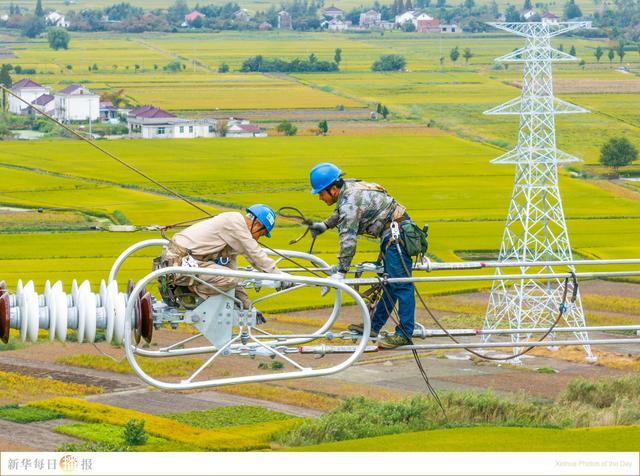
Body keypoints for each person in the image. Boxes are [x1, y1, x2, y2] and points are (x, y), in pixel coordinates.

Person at [308, 162, 415, 348]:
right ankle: (374, 326)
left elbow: (348, 239)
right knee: (389, 284)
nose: (319, 198)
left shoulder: (349, 201)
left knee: (401, 284)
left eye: (321, 193)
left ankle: (404, 333)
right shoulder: (348, 189)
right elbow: (342, 211)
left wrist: (341, 271)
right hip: (393, 233)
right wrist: (325, 225)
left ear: (333, 189)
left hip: (396, 235)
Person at [158, 204, 292, 313]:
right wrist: (278, 276)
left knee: (230, 278)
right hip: (180, 264)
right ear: (256, 224)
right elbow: (255, 254)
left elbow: (232, 273)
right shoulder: (235, 224)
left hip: (183, 263)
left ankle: (191, 289)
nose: (257, 238)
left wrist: (248, 308)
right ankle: (188, 291)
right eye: (261, 234)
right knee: (229, 279)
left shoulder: (232, 232)